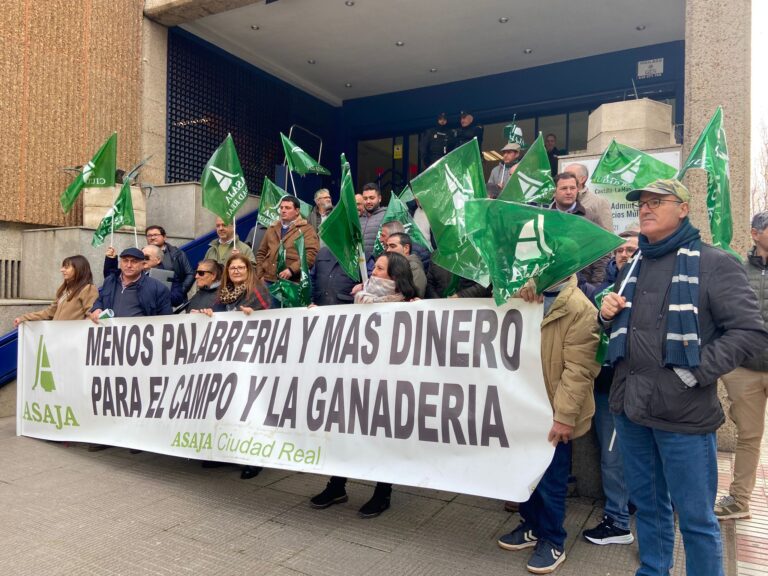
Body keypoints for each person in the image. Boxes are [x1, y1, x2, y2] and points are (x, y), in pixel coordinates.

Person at [599, 179, 768, 576]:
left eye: (657, 202)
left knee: (696, 519)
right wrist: (605, 314)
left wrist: (694, 373)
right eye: (642, 204)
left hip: (684, 414)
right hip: (632, 410)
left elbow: (748, 331)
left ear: (684, 208)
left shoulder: (713, 262)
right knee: (650, 509)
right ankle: (653, 570)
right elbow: (623, 326)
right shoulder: (633, 264)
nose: (646, 209)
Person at [497, 275, 600, 574]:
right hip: (523, 407)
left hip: (553, 411)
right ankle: (531, 526)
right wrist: (518, 294)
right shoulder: (527, 295)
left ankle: (553, 540)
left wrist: (564, 417)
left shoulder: (580, 309)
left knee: (552, 480)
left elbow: (579, 370)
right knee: (525, 475)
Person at [310, 252, 417, 517]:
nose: (372, 272)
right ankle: (337, 485)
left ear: (394, 277)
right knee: (344, 432)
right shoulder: (358, 300)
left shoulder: (411, 306)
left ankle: (383, 492)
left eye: (379, 269)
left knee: (383, 439)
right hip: (354, 379)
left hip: (387, 384)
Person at [580, 230, 639, 547]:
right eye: (620, 250)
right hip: (604, 386)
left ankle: (618, 521)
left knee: (616, 457)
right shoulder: (600, 291)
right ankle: (622, 511)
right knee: (611, 454)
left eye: (632, 249)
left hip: (631, 386)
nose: (625, 255)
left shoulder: (646, 290)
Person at [194, 254, 270, 479]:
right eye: (232, 268)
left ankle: (253, 458)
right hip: (225, 358)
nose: (236, 271)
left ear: (248, 270)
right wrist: (208, 313)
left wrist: (253, 316)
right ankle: (224, 452)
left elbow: (271, 320)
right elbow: (217, 317)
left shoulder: (258, 292)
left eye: (240, 268)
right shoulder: (223, 294)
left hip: (250, 358)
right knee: (226, 405)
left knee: (248, 407)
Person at [714, 210, 768, 520]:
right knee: (748, 436)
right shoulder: (738, 271)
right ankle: (739, 500)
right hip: (744, 369)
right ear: (755, 233)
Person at [90, 247, 171, 321]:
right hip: (110, 333)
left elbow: (166, 320)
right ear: (120, 263)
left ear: (143, 265)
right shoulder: (110, 281)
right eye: (125, 261)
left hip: (140, 335)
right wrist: (97, 308)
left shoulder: (158, 288)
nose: (129, 265)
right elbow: (100, 299)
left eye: (134, 261)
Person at [255, 195, 319, 289]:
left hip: (292, 283)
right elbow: (261, 253)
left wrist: (291, 270)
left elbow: (311, 255)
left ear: (297, 211)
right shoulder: (272, 228)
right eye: (281, 208)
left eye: (287, 208)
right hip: (267, 281)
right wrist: (260, 275)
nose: (283, 210)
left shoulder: (307, 229)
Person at [14, 255, 98, 327]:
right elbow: (49, 312)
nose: (62, 270)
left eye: (66, 267)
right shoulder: (65, 290)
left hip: (73, 340)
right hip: (57, 338)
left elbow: (92, 316)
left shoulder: (88, 289)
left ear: (78, 269)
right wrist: (24, 318)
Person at [145, 225, 194, 304]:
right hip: (151, 300)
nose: (152, 238)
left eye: (155, 235)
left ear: (164, 237)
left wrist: (181, 290)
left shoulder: (177, 253)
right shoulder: (142, 254)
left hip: (174, 299)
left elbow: (190, 274)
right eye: (149, 235)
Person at [563, 163, 613, 232]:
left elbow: (608, 234)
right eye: (564, 175)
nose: (565, 178)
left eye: (570, 175)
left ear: (582, 179)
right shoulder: (556, 201)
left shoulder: (598, 202)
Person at [384, 232, 427, 298]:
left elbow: (416, 295)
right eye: (387, 246)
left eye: (392, 246)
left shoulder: (414, 267)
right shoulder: (390, 265)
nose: (388, 250)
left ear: (406, 248)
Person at [360, 183, 387, 259]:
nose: (368, 201)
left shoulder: (386, 216)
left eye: (371, 198)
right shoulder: (359, 218)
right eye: (365, 198)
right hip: (360, 264)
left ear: (379, 198)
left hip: (378, 263)